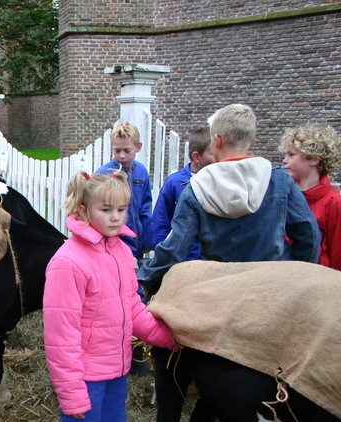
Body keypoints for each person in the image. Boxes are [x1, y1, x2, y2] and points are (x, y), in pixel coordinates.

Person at [43, 170, 174, 422]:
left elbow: (132, 307)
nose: (117, 217)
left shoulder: (118, 251)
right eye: (106, 210)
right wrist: (71, 393)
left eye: (122, 209)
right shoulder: (68, 262)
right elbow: (61, 336)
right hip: (85, 376)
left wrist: (166, 337)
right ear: (83, 210)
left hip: (116, 369)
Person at [137, 104, 321, 293]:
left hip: (221, 290)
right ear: (252, 142)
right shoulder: (279, 180)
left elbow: (175, 247)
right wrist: (294, 275)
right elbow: (309, 234)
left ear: (217, 140)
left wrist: (147, 280)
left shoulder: (198, 187)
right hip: (272, 287)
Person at [149, 126, 216, 260]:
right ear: (196, 157)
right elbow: (160, 222)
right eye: (213, 154)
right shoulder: (174, 183)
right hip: (181, 259)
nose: (219, 158)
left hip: (212, 259)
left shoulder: (220, 182)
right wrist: (163, 253)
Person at [280, 125, 341, 270]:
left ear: (314, 159)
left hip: (319, 277)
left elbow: (337, 252)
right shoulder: (281, 197)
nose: (284, 160)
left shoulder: (334, 203)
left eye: (291, 155)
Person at [95, 122, 153, 260]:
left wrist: (147, 239)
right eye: (117, 151)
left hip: (136, 240)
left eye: (127, 150)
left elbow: (145, 208)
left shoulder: (141, 172)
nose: (122, 156)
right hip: (113, 242)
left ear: (138, 147)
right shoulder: (104, 173)